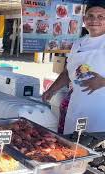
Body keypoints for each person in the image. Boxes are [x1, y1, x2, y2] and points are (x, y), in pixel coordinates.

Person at [43, 1, 105, 134]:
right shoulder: (78, 43)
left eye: (101, 16)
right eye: (90, 16)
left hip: (101, 116)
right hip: (76, 109)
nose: (95, 20)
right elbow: (67, 72)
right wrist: (52, 90)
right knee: (74, 149)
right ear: (84, 19)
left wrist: (103, 81)